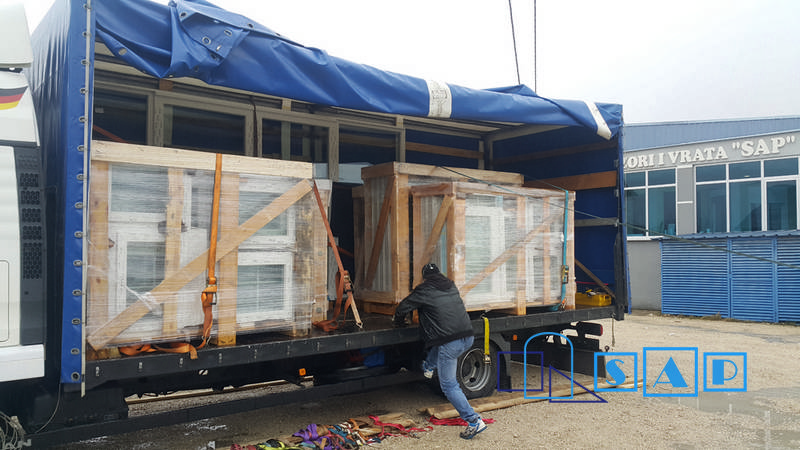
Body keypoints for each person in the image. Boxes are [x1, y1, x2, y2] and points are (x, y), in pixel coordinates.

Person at [393, 263, 488, 440]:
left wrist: (398, 322)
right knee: (440, 344)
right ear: (440, 274)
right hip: (467, 336)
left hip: (450, 342)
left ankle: (474, 421)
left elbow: (403, 307)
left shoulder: (424, 290)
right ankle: (429, 366)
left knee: (449, 386)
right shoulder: (451, 286)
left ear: (424, 277)